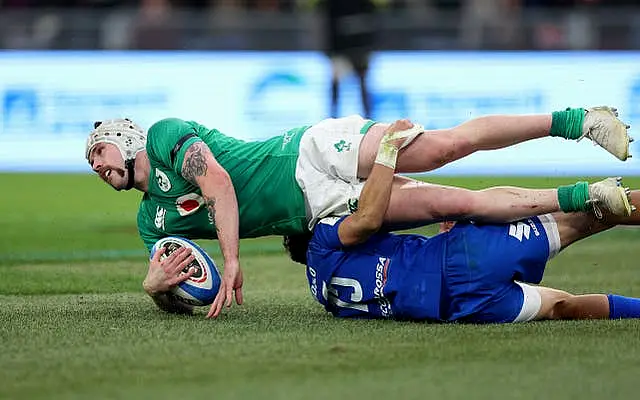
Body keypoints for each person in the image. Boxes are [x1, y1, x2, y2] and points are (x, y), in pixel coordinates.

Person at [86, 106, 632, 318]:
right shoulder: (147, 223)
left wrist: (230, 258)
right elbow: (180, 278)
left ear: (123, 135)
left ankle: (576, 120)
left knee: (441, 148)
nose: (96, 165)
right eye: (90, 164)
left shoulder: (162, 138)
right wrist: (154, 287)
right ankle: (586, 196)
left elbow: (219, 184)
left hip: (305, 154)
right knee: (455, 203)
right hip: (319, 210)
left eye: (99, 152)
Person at [283, 120, 640, 323]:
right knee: (594, 214)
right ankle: (582, 185)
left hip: (464, 306)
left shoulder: (324, 296)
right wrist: (387, 151)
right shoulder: (326, 236)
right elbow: (367, 219)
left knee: (559, 307)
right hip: (462, 260)